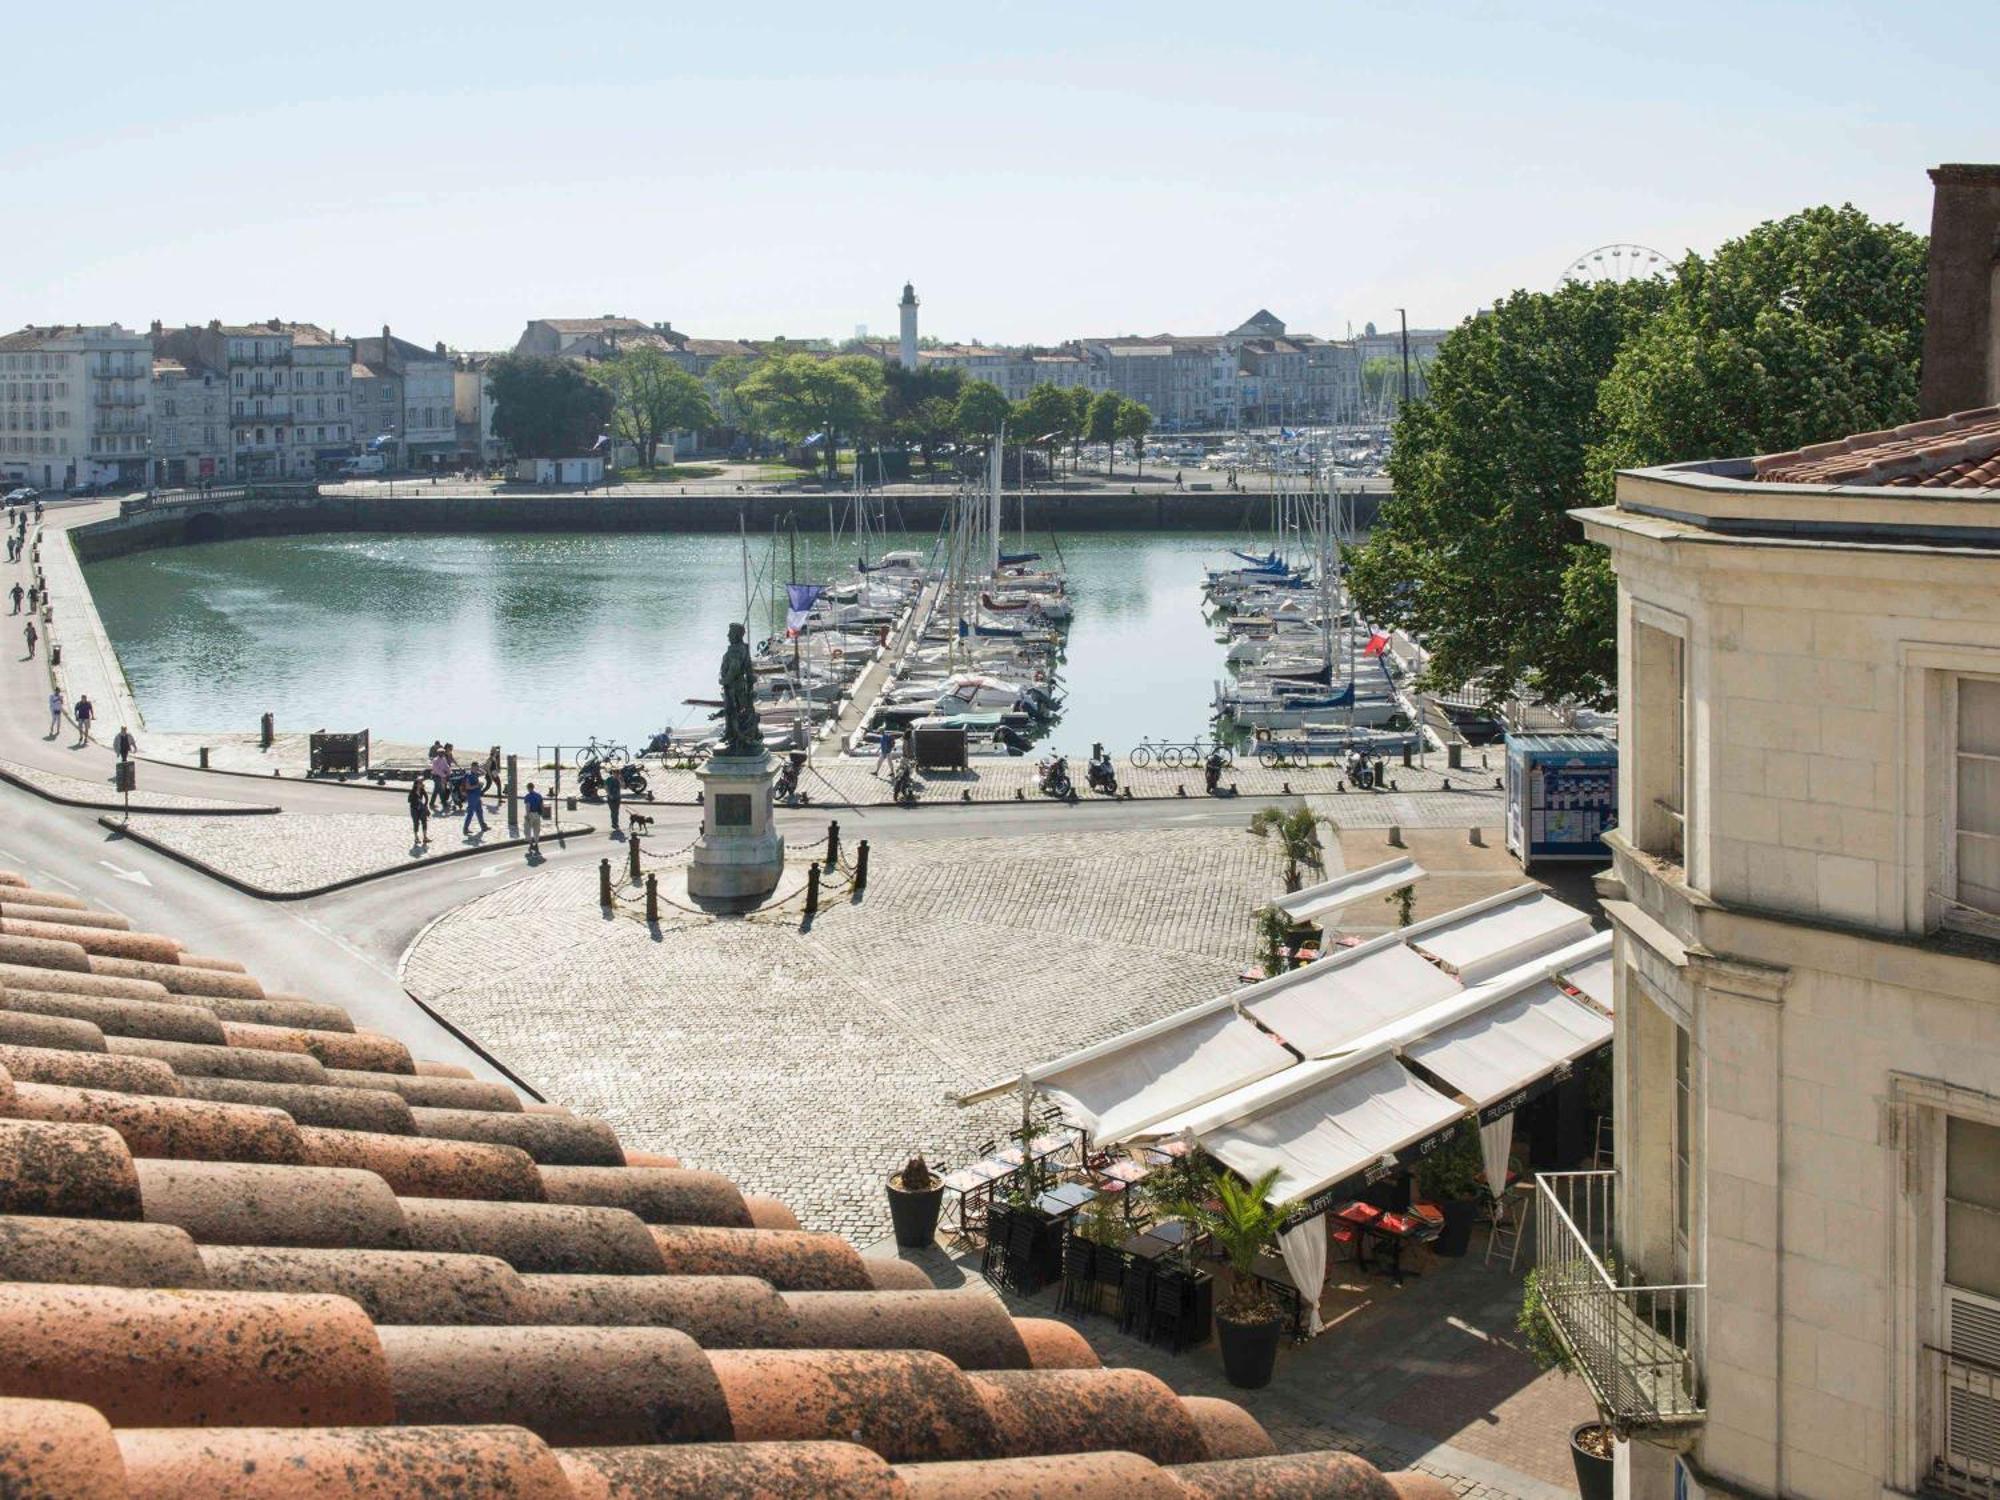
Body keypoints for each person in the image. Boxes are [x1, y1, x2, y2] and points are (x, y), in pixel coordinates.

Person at [522, 782, 545, 856]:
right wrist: (541, 814)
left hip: (530, 814)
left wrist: (527, 815)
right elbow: (541, 806)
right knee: (536, 830)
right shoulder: (539, 796)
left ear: (528, 788)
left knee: (527, 829)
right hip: (537, 814)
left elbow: (527, 807)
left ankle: (531, 844)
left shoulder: (527, 797)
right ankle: (536, 843)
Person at [407, 775, 430, 846]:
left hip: (421, 809)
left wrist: (425, 805)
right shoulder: (412, 791)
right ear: (416, 784)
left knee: (424, 822)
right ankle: (416, 837)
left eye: (421, 783)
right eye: (420, 783)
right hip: (414, 809)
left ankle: (425, 837)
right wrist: (416, 800)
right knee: (416, 823)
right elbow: (409, 800)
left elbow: (426, 797)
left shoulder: (422, 790)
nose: (421, 784)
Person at [429, 745, 452, 812]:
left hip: (442, 776)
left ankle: (431, 803)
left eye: (443, 752)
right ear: (438, 753)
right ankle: (444, 803)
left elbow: (446, 766)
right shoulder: (435, 760)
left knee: (436, 790)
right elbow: (436, 769)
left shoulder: (443, 759)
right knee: (441, 789)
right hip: (436, 776)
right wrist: (443, 775)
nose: (442, 753)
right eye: (441, 752)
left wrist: (449, 772)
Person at [604, 768, 622, 833]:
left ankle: (615, 824)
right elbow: (606, 788)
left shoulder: (618, 780)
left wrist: (620, 780)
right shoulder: (608, 779)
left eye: (618, 774)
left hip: (617, 798)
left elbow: (623, 787)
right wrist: (609, 795)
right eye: (616, 774)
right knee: (613, 811)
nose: (617, 775)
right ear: (613, 773)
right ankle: (615, 824)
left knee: (616, 812)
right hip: (611, 798)